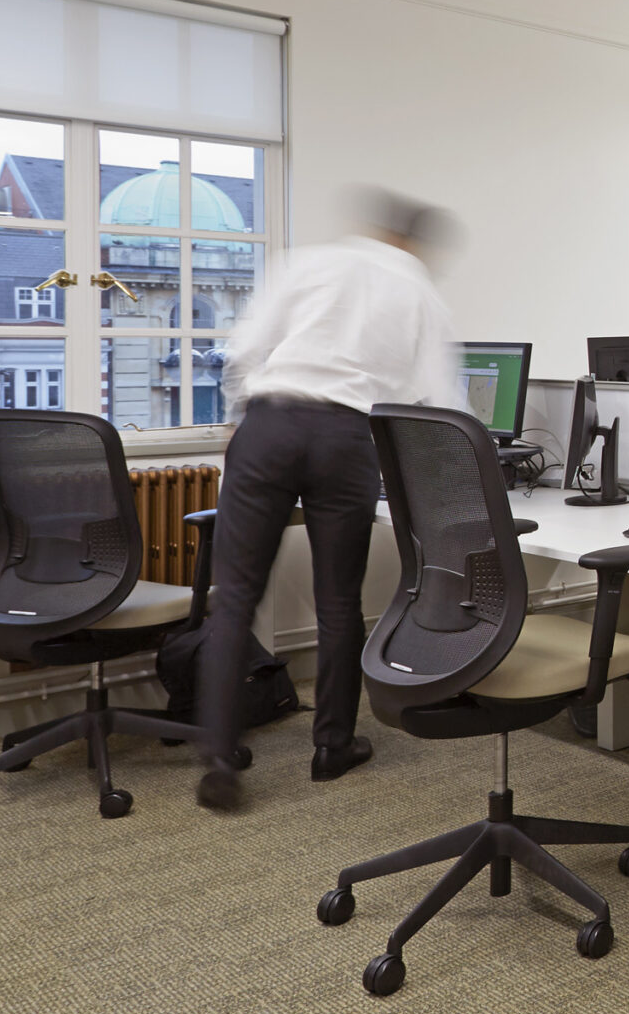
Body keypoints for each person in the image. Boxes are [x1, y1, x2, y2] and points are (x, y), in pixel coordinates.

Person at [195, 191, 460, 811]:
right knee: (339, 600)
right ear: (414, 243)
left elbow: (245, 349)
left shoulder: (309, 262)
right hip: (347, 438)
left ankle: (218, 755)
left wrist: (248, 418)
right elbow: (438, 399)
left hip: (271, 424)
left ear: (375, 229)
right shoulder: (420, 289)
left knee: (235, 597)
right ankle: (331, 747)